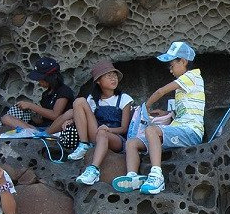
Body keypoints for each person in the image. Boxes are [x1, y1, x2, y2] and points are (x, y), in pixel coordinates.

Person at [111, 41, 204, 195]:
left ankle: (156, 176)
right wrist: (167, 114)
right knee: (132, 143)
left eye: (172, 65)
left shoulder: (192, 76)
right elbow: (187, 110)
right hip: (178, 129)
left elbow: (161, 92)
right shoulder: (186, 85)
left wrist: (146, 106)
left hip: (191, 132)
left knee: (151, 130)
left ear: (183, 61)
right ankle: (133, 177)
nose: (170, 70)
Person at [74, 60, 135, 184]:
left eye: (115, 75)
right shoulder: (92, 99)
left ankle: (93, 170)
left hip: (116, 137)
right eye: (108, 76)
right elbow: (86, 117)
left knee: (102, 133)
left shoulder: (124, 98)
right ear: (98, 81)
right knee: (79, 101)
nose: (114, 79)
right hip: (96, 132)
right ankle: (84, 143)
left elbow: (124, 128)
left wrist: (108, 130)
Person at [0, 56, 73, 134]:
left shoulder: (64, 91)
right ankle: (36, 133)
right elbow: (43, 120)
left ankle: (38, 134)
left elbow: (55, 115)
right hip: (42, 128)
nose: (39, 82)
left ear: (50, 78)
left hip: (56, 128)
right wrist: (31, 116)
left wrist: (30, 106)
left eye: (40, 79)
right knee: (6, 118)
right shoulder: (46, 94)